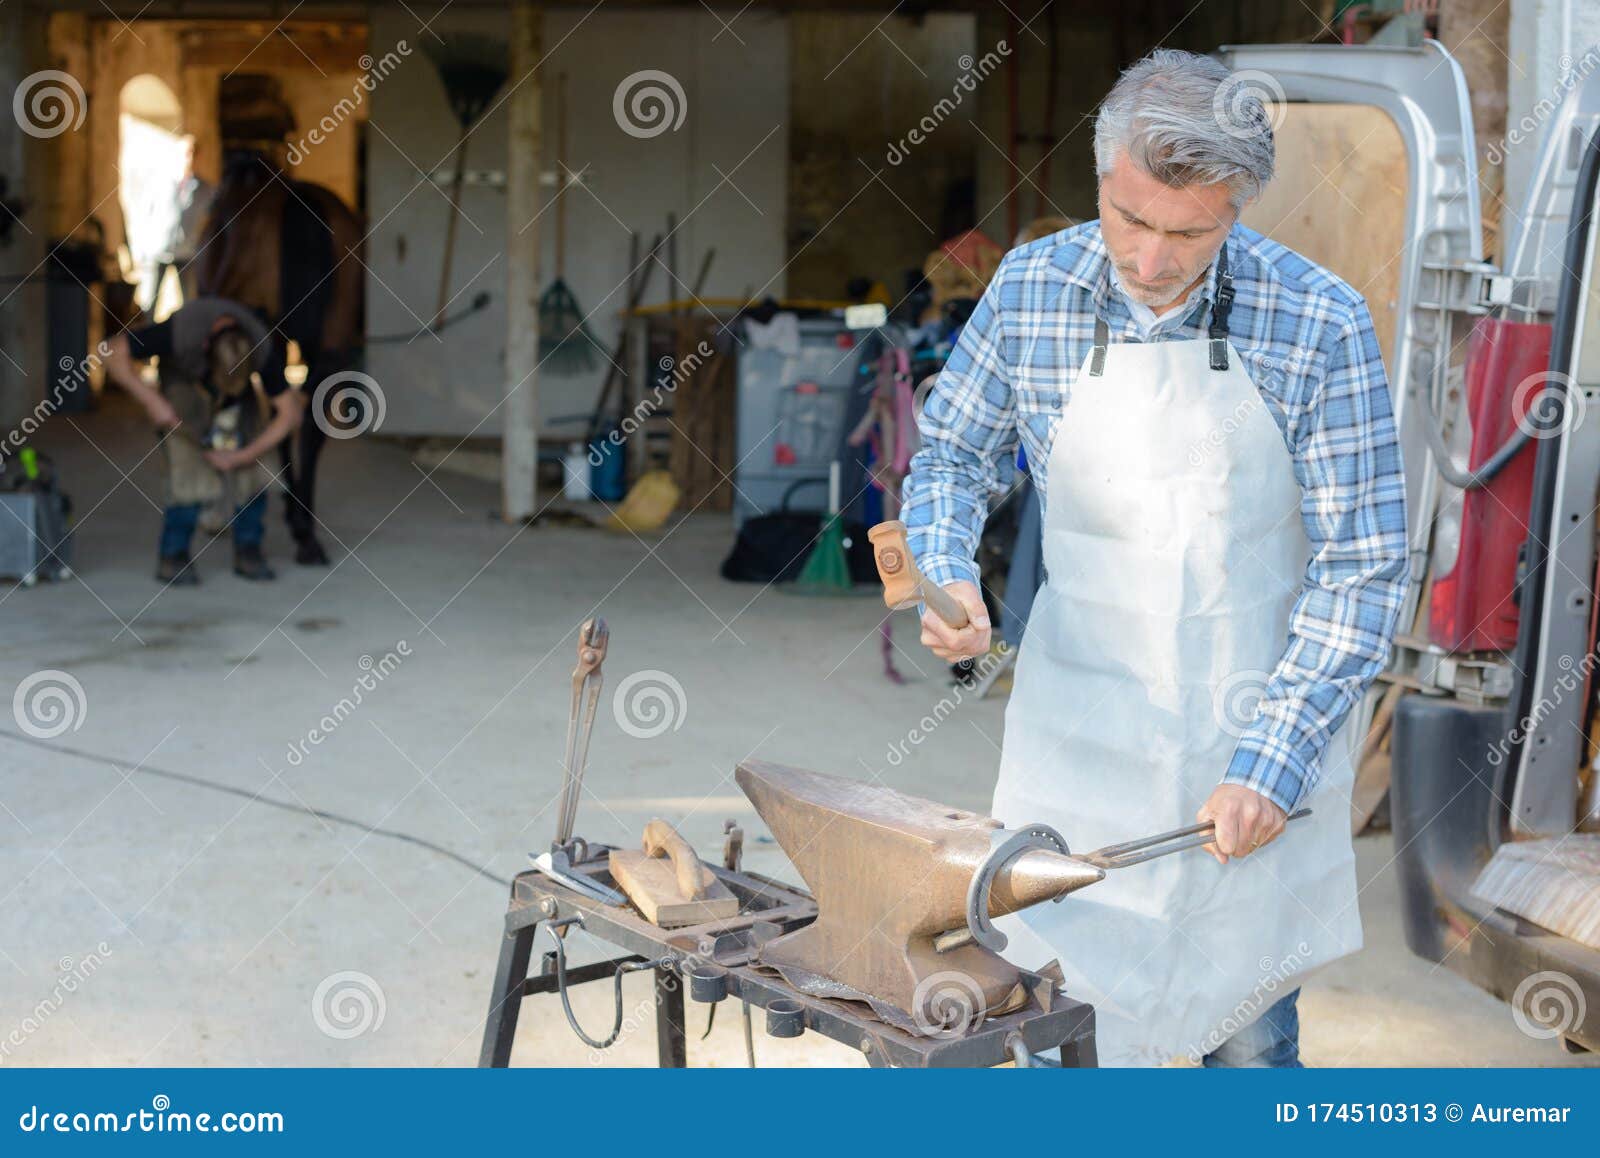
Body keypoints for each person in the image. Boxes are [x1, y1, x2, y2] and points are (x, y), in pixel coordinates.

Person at [901, 49, 1409, 1067]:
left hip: (1249, 756)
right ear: (1098, 179)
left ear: (1239, 207)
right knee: (1059, 1034)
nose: (1148, 261)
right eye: (1129, 221)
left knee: (1242, 1047)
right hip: (1077, 744)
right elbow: (952, 453)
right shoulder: (1032, 289)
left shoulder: (1318, 321)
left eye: (1188, 233)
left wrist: (1269, 766)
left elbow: (1364, 569)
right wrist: (944, 564)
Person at [106, 296, 303, 583]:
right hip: (184, 383)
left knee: (254, 464)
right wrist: (152, 401)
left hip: (239, 387)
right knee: (190, 468)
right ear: (205, 347)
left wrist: (243, 455)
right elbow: (111, 351)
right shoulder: (180, 333)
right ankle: (174, 555)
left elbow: (290, 414)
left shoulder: (263, 348)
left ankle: (248, 548)